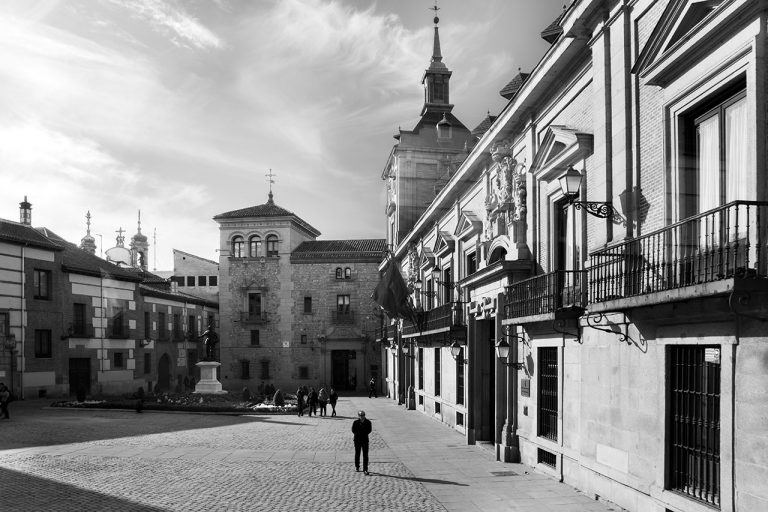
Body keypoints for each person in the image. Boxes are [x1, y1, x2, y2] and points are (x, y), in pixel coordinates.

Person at [351, 410, 372, 475]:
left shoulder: (368, 422)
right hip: (357, 440)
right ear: (358, 416)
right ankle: (357, 466)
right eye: (360, 415)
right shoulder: (355, 422)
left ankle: (365, 469)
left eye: (363, 415)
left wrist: (363, 433)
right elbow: (353, 430)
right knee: (357, 453)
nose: (362, 417)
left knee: (365, 454)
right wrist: (359, 433)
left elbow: (369, 430)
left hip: (365, 440)